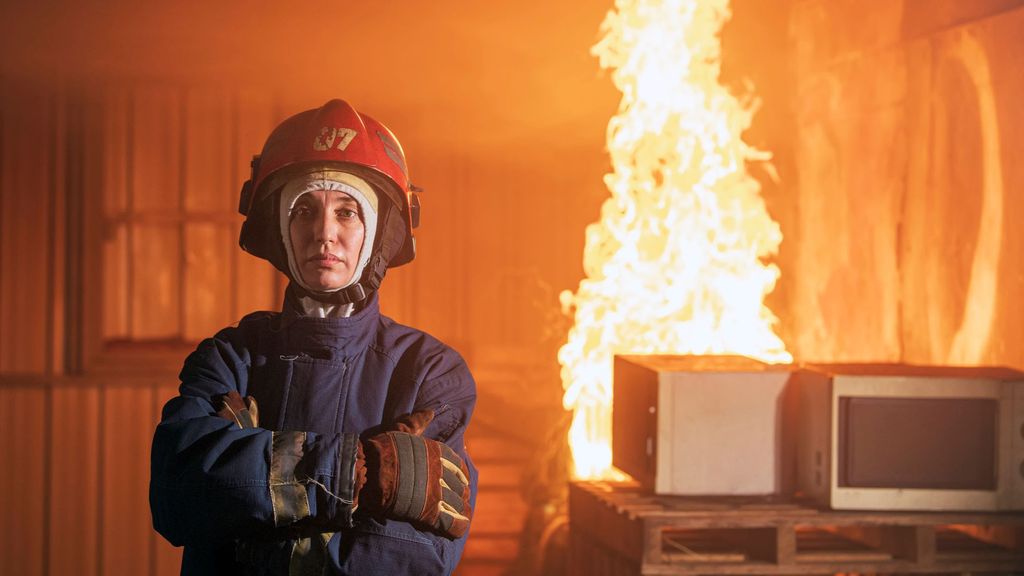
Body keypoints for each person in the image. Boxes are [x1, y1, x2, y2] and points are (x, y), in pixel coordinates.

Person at [150, 99, 477, 575]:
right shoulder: (227, 357)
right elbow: (178, 494)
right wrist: (348, 471)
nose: (324, 233)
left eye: (347, 212)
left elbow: (419, 557)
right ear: (281, 228)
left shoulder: (431, 373)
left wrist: (251, 494)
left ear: (378, 231)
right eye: (305, 210)